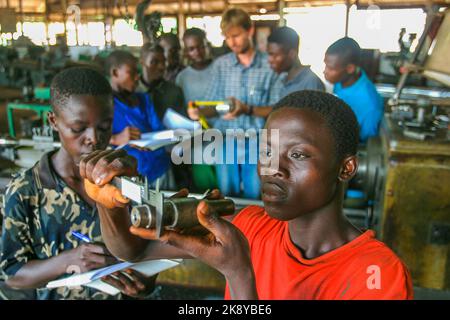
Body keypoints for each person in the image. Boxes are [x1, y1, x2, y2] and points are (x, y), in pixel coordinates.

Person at [80, 90, 413, 300]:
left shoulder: (377, 276)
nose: (272, 168)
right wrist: (109, 202)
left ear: (346, 168)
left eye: (297, 155)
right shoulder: (251, 227)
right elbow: (134, 250)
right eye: (267, 151)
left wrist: (238, 274)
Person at [0, 67, 157, 300]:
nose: (94, 138)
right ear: (53, 120)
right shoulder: (26, 191)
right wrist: (68, 260)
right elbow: (12, 276)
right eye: (78, 128)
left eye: (104, 127)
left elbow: (148, 254)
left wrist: (144, 283)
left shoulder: (126, 182)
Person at [187, 8, 280, 199]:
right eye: (227, 37)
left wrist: (247, 109)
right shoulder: (221, 65)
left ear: (250, 30)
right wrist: (199, 112)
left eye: (236, 35)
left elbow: (277, 109)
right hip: (226, 139)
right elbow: (212, 106)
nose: (232, 42)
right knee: (226, 195)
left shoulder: (269, 65)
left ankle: (253, 229)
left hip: (258, 141)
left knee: (256, 194)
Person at [223, 26, 325, 120]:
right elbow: (277, 109)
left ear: (292, 54)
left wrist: (247, 109)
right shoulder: (282, 79)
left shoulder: (311, 83)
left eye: (274, 55)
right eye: (269, 55)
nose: (269, 60)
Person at [106, 50, 174, 189]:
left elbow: (158, 129)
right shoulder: (104, 105)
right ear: (115, 73)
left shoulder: (143, 99)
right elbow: (90, 139)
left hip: (161, 168)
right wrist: (114, 139)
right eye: (132, 72)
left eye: (138, 72)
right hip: (133, 176)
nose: (138, 77)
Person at [176, 27, 217, 192]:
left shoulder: (220, 69)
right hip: (197, 137)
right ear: (186, 52)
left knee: (224, 181)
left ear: (207, 45)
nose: (198, 52)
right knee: (204, 185)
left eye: (201, 46)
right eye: (192, 49)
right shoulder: (183, 77)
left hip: (223, 132)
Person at [324, 37, 383, 143]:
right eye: (325, 65)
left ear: (350, 68)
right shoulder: (341, 80)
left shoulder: (370, 105)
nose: (325, 71)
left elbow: (367, 145)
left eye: (331, 68)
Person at [139, 43, 186, 121]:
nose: (162, 66)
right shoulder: (133, 92)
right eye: (154, 62)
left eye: (164, 62)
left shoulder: (174, 92)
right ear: (142, 62)